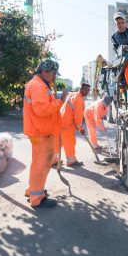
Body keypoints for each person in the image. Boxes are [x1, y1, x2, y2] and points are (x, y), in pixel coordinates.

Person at [23, 59, 63, 208]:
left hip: (40, 131)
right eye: (53, 74)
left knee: (38, 164)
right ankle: (37, 198)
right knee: (41, 165)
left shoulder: (39, 84)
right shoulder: (38, 86)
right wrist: (60, 102)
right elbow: (42, 110)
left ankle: (32, 190)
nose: (55, 77)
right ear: (45, 72)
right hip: (41, 132)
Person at [55, 82, 91, 167]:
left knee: (59, 142)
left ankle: (53, 159)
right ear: (81, 89)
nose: (87, 92)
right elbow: (78, 116)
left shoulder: (73, 95)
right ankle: (71, 160)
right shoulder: (79, 99)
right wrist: (80, 128)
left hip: (61, 120)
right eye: (85, 90)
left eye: (88, 90)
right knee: (70, 142)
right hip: (67, 123)